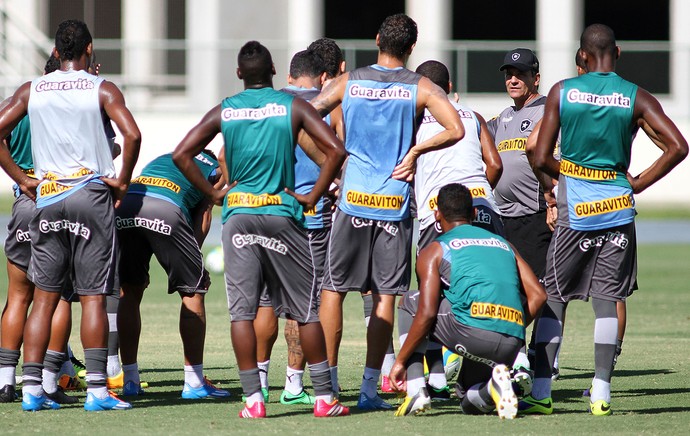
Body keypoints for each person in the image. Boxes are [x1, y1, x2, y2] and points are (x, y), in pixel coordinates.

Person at [172, 40, 349, 419]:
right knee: (306, 311)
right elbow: (335, 150)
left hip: (238, 217)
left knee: (242, 314)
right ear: (273, 72)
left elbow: (181, 154)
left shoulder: (226, 110)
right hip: (281, 213)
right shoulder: (292, 105)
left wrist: (215, 193)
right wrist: (311, 196)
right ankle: (323, 398)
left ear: (239, 74)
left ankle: (253, 400)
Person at [525, 24, 687, 416]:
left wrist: (569, 176)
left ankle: (542, 391)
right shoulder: (636, 96)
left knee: (556, 299)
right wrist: (638, 183)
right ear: (618, 53)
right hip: (617, 210)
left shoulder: (563, 91)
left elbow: (539, 154)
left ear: (582, 56)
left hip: (575, 212)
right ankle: (601, 393)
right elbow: (678, 146)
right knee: (607, 301)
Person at [309, 13, 464, 410]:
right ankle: (367, 389)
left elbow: (306, 116)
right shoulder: (422, 86)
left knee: (333, 288)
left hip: (352, 199)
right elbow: (456, 129)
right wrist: (415, 152)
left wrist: (333, 162)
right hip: (394, 204)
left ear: (376, 38)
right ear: (412, 48)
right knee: (384, 295)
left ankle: (326, 388)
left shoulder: (350, 80)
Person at [0, 19, 141, 412]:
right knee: (93, 296)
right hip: (89, 193)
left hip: (46, 196)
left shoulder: (32, 89)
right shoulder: (102, 88)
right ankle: (97, 391)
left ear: (57, 52)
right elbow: (132, 134)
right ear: (90, 49)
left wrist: (22, 180)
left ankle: (31, 391)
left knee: (42, 297)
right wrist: (123, 181)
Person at [389, 183, 545, 419]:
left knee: (411, 301)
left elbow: (427, 313)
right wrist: (510, 325)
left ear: (437, 215)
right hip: (511, 340)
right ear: (474, 214)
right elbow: (539, 295)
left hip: (471, 332)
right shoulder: (504, 244)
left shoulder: (435, 249)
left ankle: (416, 389)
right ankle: (494, 387)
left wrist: (400, 362)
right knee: (468, 398)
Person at [412, 60, 503, 400]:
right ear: (450, 88)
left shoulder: (416, 118)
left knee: (430, 295)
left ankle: (436, 376)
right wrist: (479, 198)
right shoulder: (472, 116)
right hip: (483, 208)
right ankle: (503, 367)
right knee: (487, 287)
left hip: (438, 216)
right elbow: (494, 164)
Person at [115, 150, 229, 400]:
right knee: (193, 291)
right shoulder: (215, 168)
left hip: (127, 207)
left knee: (129, 290)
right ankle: (194, 381)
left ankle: (130, 380)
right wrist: (194, 263)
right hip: (164, 208)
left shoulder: (164, 157)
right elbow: (206, 211)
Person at [487, 48, 555, 376]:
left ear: (535, 78)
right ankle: (517, 356)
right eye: (508, 74)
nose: (513, 80)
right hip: (504, 217)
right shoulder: (502, 118)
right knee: (510, 289)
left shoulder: (547, 111)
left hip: (535, 214)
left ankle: (538, 361)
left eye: (521, 74)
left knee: (539, 290)